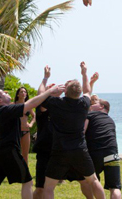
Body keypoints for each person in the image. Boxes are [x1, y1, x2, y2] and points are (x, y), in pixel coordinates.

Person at [0, 83, 65, 199]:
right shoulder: (5, 109)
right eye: (2, 93)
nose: (6, 92)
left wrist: (47, 92)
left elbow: (32, 105)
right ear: (0, 100)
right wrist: (50, 91)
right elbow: (31, 104)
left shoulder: (3, 110)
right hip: (8, 151)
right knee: (27, 182)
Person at [40, 61, 106, 199]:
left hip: (59, 150)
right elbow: (88, 91)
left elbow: (40, 96)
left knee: (49, 187)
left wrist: (46, 78)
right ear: (79, 92)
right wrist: (84, 73)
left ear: (65, 91)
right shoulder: (83, 103)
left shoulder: (56, 103)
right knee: (93, 180)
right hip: (79, 149)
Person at [81, 97, 122, 199]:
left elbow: (81, 132)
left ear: (101, 106)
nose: (91, 104)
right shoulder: (110, 120)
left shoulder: (90, 115)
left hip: (96, 152)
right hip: (112, 152)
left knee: (90, 181)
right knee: (115, 187)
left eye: (94, 103)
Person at [32, 66, 54, 199]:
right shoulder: (42, 110)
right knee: (41, 188)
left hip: (58, 152)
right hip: (44, 151)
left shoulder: (58, 107)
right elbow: (41, 97)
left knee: (49, 188)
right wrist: (45, 79)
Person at [14, 87, 36, 164]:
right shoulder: (13, 105)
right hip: (15, 131)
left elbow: (34, 116)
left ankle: (25, 173)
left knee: (25, 155)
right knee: (15, 153)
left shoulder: (28, 105)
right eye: (21, 92)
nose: (24, 93)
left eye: (25, 92)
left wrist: (31, 124)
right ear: (17, 94)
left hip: (26, 131)